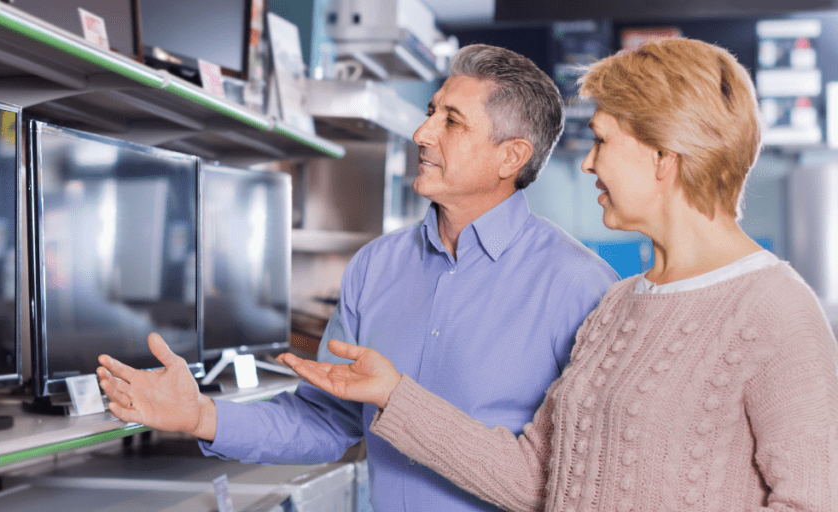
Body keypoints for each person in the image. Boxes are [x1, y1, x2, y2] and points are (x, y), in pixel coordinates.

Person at [277, 37, 838, 511]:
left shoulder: (773, 309)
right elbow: (534, 478)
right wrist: (396, 396)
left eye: (601, 140)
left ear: (664, 156)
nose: (588, 162)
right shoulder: (618, 306)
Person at [97, 44, 618, 512]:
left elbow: (580, 483)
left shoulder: (581, 289)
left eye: (452, 121)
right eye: (430, 111)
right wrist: (202, 417)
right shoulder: (376, 267)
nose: (423, 132)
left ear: (511, 156)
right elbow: (328, 421)